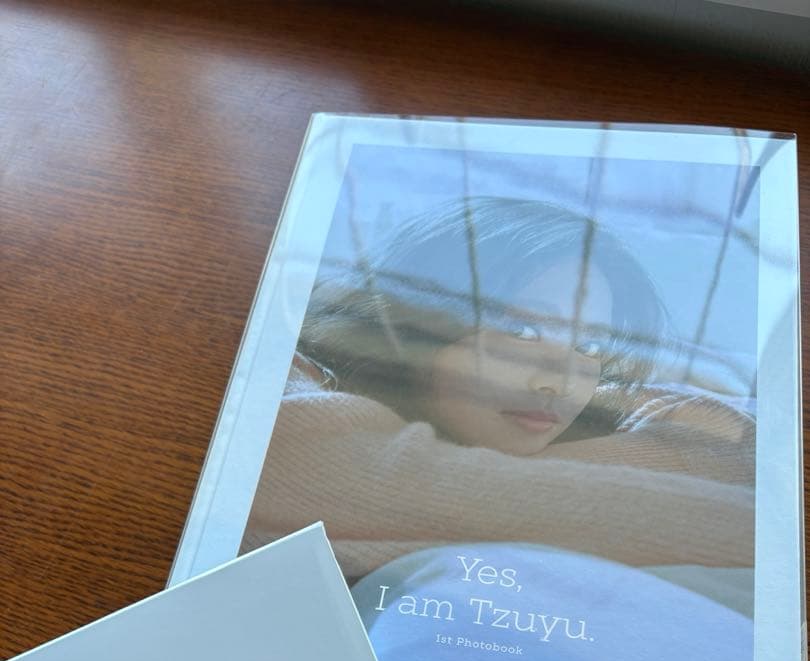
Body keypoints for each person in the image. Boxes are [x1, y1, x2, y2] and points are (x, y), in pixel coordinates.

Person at [241, 196, 755, 579]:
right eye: (522, 330)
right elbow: (443, 489)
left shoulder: (567, 415)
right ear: (409, 317)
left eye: (590, 346)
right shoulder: (280, 389)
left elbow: (734, 442)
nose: (562, 379)